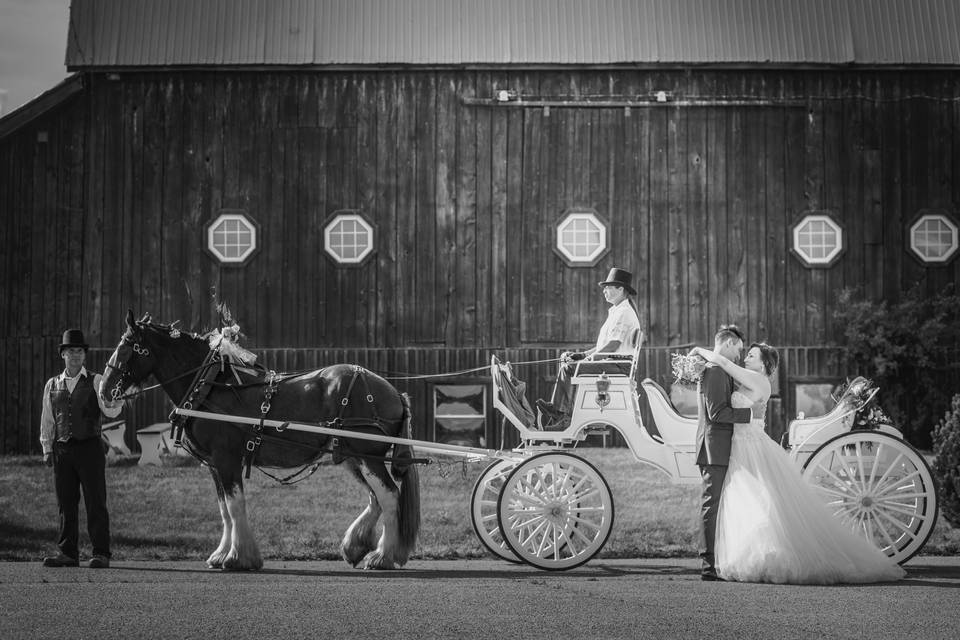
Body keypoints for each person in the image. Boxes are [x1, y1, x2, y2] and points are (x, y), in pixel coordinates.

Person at [691, 341, 906, 584]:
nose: (746, 358)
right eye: (747, 354)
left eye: (751, 355)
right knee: (744, 500)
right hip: (738, 446)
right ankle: (745, 553)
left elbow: (726, 363)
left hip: (750, 445)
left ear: (764, 363)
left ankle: (766, 554)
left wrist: (700, 351)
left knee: (762, 499)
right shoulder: (746, 379)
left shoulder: (759, 380)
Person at [40, 329, 123, 569]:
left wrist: (114, 400)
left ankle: (101, 552)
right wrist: (47, 448)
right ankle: (67, 552)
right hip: (62, 449)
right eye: (70, 352)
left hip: (90, 448)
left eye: (79, 351)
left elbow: (110, 411)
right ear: (63, 355)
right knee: (65, 502)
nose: (75, 356)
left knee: (96, 501)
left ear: (84, 355)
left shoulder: (96, 381)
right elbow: (48, 418)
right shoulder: (52, 385)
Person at [535, 267, 642, 428]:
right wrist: (583, 355)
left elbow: (613, 345)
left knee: (569, 368)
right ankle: (559, 412)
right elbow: (604, 345)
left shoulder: (624, 312)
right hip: (613, 363)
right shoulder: (617, 311)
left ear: (620, 289)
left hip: (619, 366)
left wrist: (590, 359)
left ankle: (562, 415)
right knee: (569, 363)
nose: (604, 291)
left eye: (608, 287)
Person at [693, 325, 754, 581]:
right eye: (739, 350)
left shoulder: (719, 370)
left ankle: (718, 559)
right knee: (712, 504)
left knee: (719, 503)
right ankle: (708, 565)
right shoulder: (716, 371)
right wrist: (750, 415)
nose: (740, 356)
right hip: (714, 447)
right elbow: (716, 413)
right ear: (728, 344)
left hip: (719, 446)